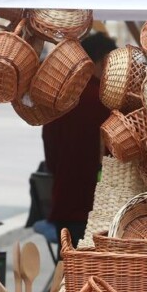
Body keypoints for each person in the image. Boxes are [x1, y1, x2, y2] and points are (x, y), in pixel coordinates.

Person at [41, 32, 116, 243]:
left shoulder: (61, 96)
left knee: (66, 270)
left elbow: (50, 152)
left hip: (65, 199)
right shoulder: (105, 100)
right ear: (103, 61)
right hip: (99, 205)